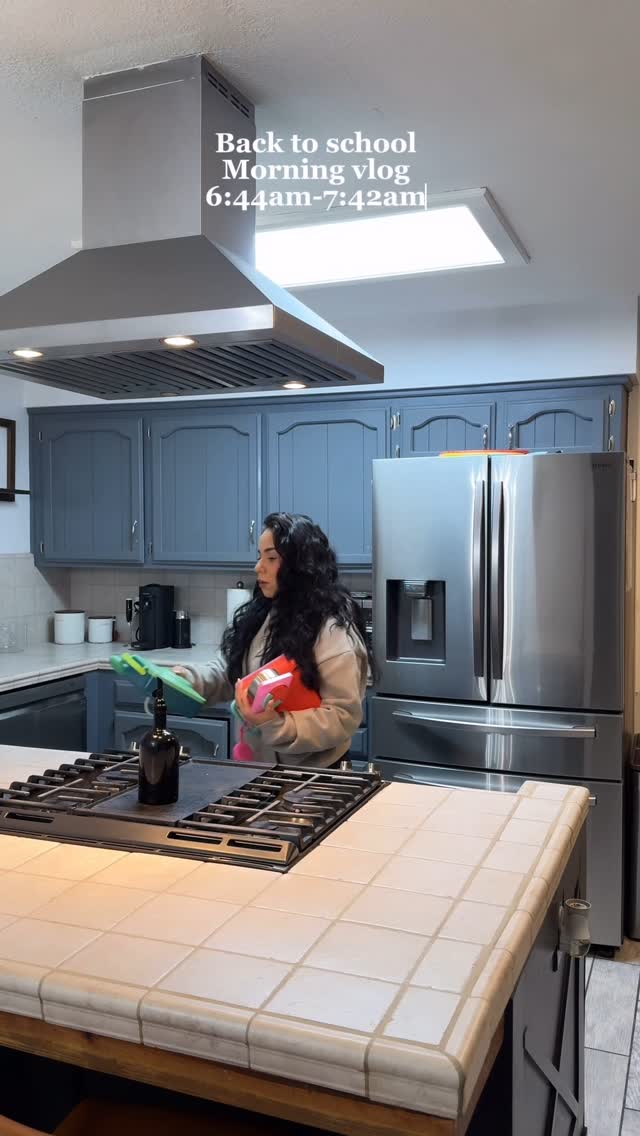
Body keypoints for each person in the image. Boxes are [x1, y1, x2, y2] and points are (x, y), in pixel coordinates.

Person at [174, 513, 374, 767]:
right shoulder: (266, 614)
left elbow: (341, 717)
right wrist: (185, 680)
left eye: (271, 558)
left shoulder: (333, 631)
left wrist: (275, 725)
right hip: (259, 769)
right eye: (259, 557)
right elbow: (235, 673)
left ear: (299, 565)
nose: (258, 567)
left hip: (314, 776)